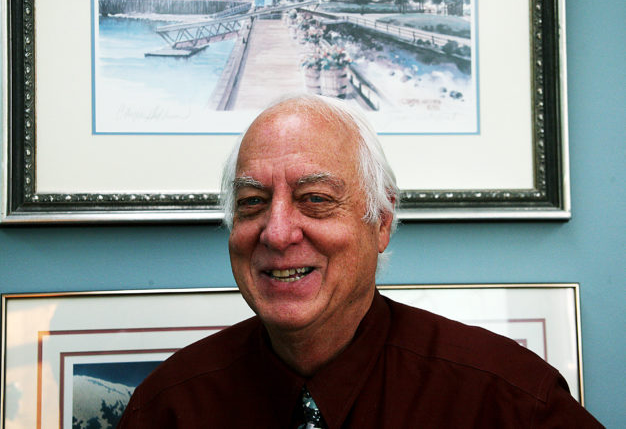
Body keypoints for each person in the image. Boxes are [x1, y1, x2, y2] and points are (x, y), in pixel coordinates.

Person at [118, 95, 602, 428]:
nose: (277, 231)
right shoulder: (167, 409)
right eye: (251, 202)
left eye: (315, 199)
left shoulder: (507, 400)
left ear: (382, 223)